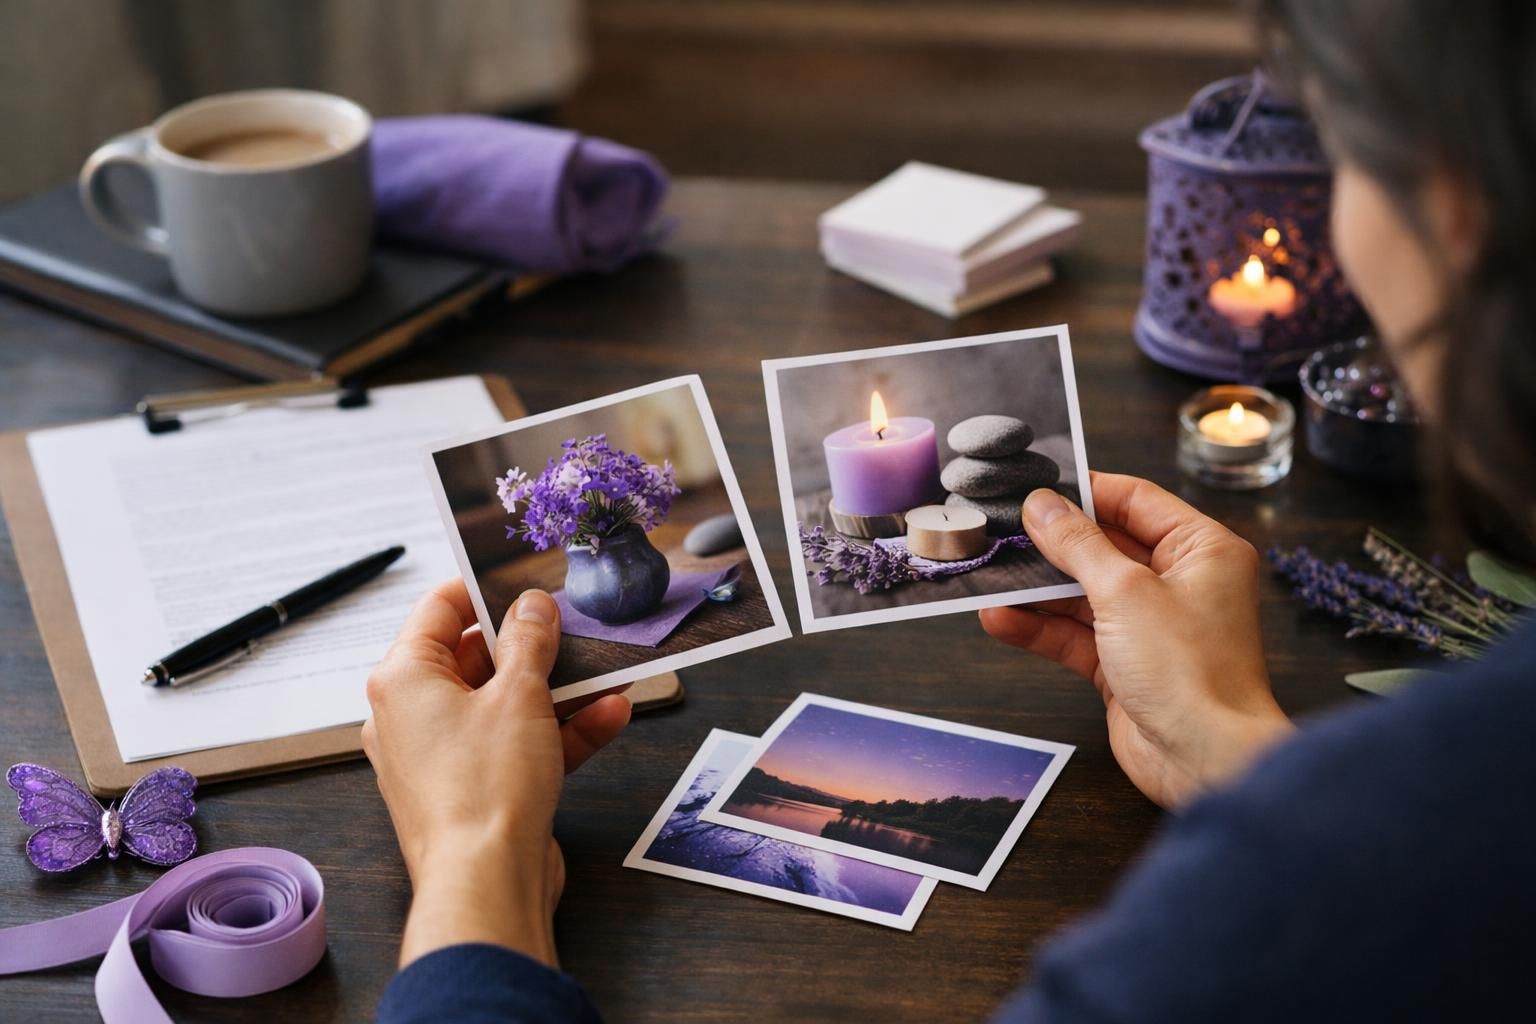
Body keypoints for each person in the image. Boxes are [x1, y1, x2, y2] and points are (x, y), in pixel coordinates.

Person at [369, 1, 1536, 1019]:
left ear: (1454, 202)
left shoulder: (1238, 936)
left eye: (1339, 156)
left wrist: (475, 872)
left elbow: (1363, 891)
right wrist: (1228, 742)